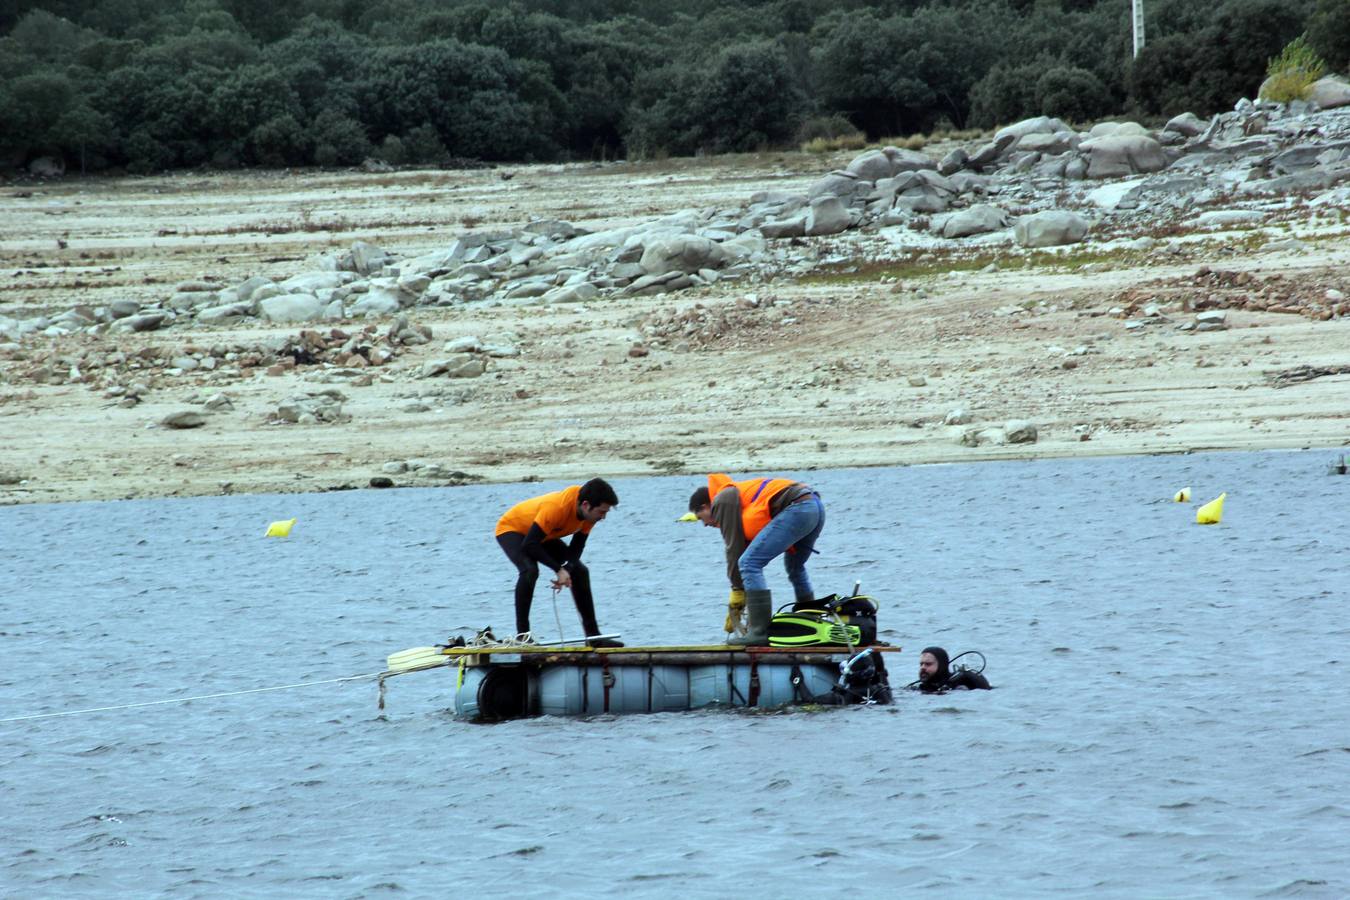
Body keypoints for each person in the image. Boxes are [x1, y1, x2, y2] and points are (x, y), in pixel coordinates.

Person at [689, 473, 824, 646]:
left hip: (798, 508)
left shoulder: (722, 499)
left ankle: (759, 632)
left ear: (706, 505)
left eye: (701, 517)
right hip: (814, 507)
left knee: (749, 563)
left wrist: (737, 590)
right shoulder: (736, 498)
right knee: (795, 567)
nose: (705, 524)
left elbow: (733, 548)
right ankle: (811, 620)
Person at [496, 478, 622, 647]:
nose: (603, 517)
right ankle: (523, 636)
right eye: (601, 512)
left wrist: (567, 569)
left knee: (580, 571)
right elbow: (530, 545)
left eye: (605, 512)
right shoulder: (557, 508)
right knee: (530, 570)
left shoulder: (589, 516)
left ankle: (593, 637)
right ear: (586, 505)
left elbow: (577, 546)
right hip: (512, 529)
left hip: (544, 534)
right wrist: (558, 569)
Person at [912, 646, 991, 693]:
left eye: (928, 664)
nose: (923, 667)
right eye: (921, 664)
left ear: (941, 665)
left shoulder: (960, 684)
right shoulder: (918, 688)